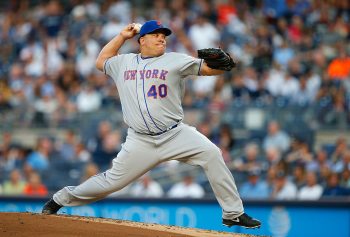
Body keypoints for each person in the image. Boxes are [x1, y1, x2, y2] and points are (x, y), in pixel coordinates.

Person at [42, 20, 261, 229]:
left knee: (212, 153)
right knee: (111, 183)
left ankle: (233, 214)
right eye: (156, 35)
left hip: (175, 134)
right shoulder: (123, 62)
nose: (162, 39)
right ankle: (60, 199)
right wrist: (121, 36)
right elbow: (101, 61)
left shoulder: (176, 59)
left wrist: (225, 64)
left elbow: (210, 69)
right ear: (142, 40)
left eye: (164, 36)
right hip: (140, 140)